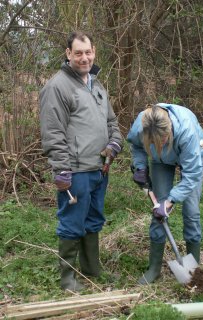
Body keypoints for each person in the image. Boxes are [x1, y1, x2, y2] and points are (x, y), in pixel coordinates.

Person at [39, 31, 123, 292]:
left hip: (100, 168)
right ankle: (68, 279)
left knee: (94, 219)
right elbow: (53, 133)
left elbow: (112, 122)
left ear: (94, 51)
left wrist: (114, 144)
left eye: (88, 52)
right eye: (78, 53)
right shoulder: (57, 87)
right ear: (68, 54)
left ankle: (91, 270)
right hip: (75, 170)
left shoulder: (96, 85)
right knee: (72, 221)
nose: (84, 58)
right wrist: (61, 170)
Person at [127, 103, 203, 285]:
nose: (159, 145)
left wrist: (170, 201)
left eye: (162, 140)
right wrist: (140, 167)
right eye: (154, 143)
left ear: (169, 130)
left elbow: (192, 174)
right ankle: (154, 269)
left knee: (191, 212)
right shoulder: (142, 124)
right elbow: (137, 147)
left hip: (192, 154)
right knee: (158, 214)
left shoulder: (186, 131)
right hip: (160, 162)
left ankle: (194, 271)